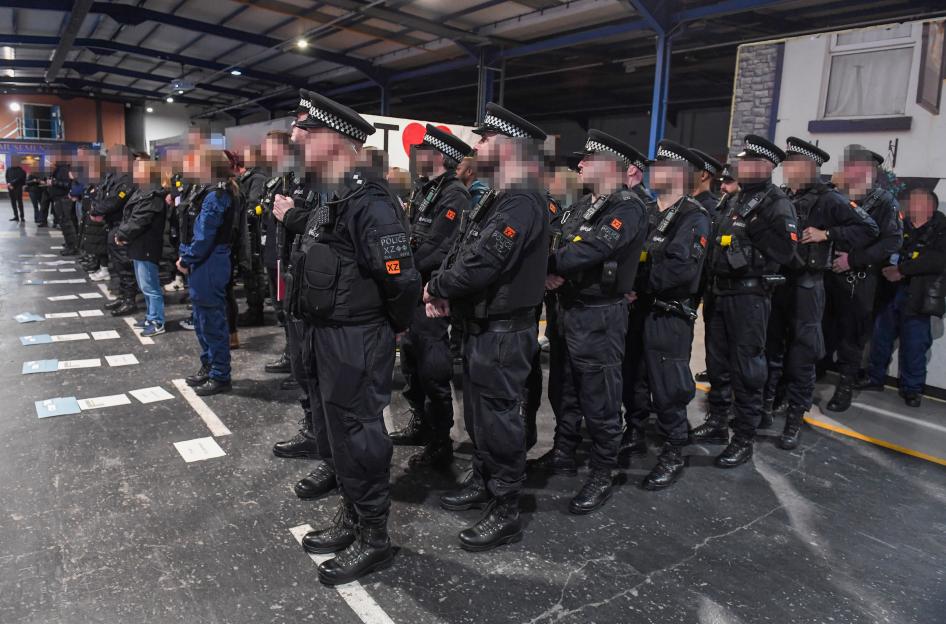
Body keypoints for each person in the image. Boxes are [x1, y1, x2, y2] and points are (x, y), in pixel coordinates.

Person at [276, 89, 420, 586]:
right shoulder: (329, 194)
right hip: (326, 333)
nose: (297, 136)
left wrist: (395, 326)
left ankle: (375, 537)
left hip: (356, 337)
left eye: (307, 130)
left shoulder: (371, 201)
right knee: (337, 432)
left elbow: (400, 278)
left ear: (337, 140)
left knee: (359, 435)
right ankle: (355, 515)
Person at [426, 103, 549, 551]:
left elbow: (484, 263)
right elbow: (462, 248)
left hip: (503, 332)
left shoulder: (522, 199)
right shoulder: (498, 195)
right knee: (479, 417)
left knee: (499, 421)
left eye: (485, 139)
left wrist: (438, 287)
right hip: (481, 326)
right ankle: (483, 480)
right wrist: (444, 288)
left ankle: (506, 508)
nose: (477, 146)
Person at [535, 129, 648, 511]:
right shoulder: (584, 205)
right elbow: (557, 239)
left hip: (599, 314)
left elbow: (596, 248)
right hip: (567, 310)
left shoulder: (627, 207)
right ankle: (563, 452)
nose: (580, 164)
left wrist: (550, 267)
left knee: (599, 396)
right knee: (564, 388)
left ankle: (603, 471)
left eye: (588, 159)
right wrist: (552, 268)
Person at [765, 137, 878, 449]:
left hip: (808, 286)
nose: (786, 169)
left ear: (809, 166)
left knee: (802, 354)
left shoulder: (829, 199)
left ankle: (794, 419)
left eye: (792, 163)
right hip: (780, 282)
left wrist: (827, 234)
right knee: (773, 349)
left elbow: (868, 228)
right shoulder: (784, 195)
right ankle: (768, 404)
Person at [692, 134, 797, 467]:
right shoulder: (734, 198)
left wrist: (752, 232)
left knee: (747, 369)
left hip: (749, 296)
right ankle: (717, 422)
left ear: (766, 166)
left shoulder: (775, 202)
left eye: (749, 162)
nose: (742, 166)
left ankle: (744, 437)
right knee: (717, 363)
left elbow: (786, 251)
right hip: (721, 292)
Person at [624, 140, 711, 489]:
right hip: (639, 309)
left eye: (658, 166)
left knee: (668, 386)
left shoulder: (693, 216)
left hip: (668, 315)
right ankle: (635, 431)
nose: (651, 171)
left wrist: (636, 283)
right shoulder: (648, 209)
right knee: (634, 378)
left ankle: (675, 448)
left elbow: (680, 272)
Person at [390, 125, 472, 469]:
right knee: (411, 363)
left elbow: (439, 248)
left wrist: (403, 273)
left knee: (433, 369)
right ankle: (420, 424)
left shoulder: (454, 195)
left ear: (438, 156)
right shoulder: (426, 189)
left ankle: (440, 442)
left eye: (422, 151)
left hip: (429, 293)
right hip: (413, 290)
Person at [822, 146, 903, 412]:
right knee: (821, 330)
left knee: (851, 336)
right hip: (825, 276)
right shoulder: (835, 195)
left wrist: (853, 260)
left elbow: (892, 241)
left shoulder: (883, 201)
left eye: (852, 165)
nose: (845, 168)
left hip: (858, 279)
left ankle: (844, 387)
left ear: (868, 170)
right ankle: (812, 375)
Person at [860, 188, 946, 408]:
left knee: (915, 345)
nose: (907, 205)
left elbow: (937, 260)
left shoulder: (941, 230)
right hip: (890, 293)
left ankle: (912, 389)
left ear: (929, 206)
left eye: (914, 201)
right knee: (880, 339)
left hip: (918, 296)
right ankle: (874, 378)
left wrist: (903, 270)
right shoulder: (898, 226)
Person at [178, 150, 240, 397]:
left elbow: (205, 235)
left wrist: (187, 257)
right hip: (206, 260)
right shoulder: (210, 190)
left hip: (210, 261)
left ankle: (220, 374)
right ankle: (209, 365)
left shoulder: (217, 195)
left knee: (212, 321)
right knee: (202, 318)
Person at [114, 157, 169, 337]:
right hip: (138, 244)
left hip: (146, 245)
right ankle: (150, 316)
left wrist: (122, 235)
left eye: (139, 169)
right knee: (144, 285)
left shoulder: (152, 195)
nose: (135, 172)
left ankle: (157, 321)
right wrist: (123, 234)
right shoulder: (142, 191)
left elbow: (139, 220)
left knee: (150, 286)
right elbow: (131, 218)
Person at [94, 146, 138, 316]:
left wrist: (97, 211)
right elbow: (103, 195)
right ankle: (122, 296)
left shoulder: (129, 177)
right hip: (112, 223)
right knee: (117, 263)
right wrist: (96, 210)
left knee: (124, 263)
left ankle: (129, 300)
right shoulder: (114, 175)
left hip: (122, 224)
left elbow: (116, 200)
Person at [231, 152, 269, 327]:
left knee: (254, 271)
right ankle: (253, 308)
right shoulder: (246, 178)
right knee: (248, 271)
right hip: (245, 230)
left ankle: (256, 311)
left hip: (252, 231)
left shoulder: (257, 178)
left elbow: (254, 204)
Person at [48, 157, 77, 254]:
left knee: (66, 223)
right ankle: (69, 243)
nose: (51, 161)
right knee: (64, 223)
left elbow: (67, 184)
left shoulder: (63, 170)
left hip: (63, 199)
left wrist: (54, 182)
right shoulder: (59, 169)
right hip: (59, 199)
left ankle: (72, 246)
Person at [6, 158, 26, 222]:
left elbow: (19, 178)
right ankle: (16, 216)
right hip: (11, 188)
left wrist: (11, 183)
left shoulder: (21, 170)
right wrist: (9, 184)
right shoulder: (8, 169)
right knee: (13, 203)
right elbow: (7, 177)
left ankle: (22, 217)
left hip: (18, 188)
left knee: (20, 203)